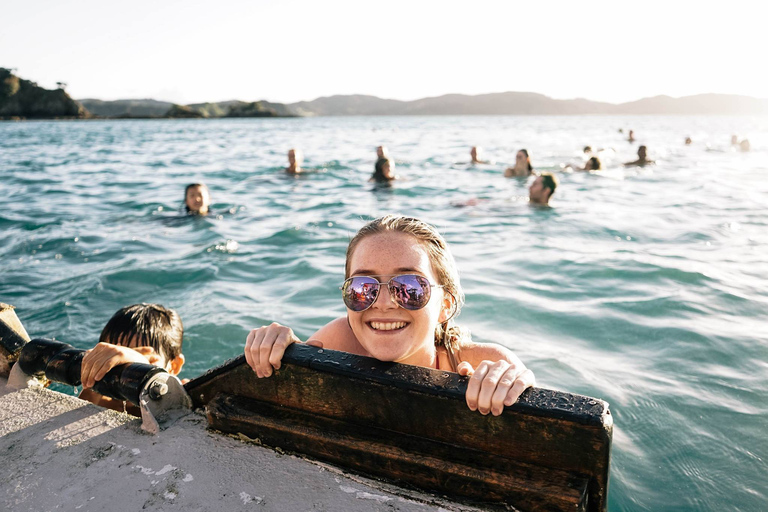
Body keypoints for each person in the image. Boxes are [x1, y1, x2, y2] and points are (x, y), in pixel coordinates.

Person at [244, 215, 535, 416]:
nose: (383, 303)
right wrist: (280, 349)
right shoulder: (337, 341)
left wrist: (516, 388)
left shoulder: (483, 365)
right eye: (363, 288)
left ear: (445, 305)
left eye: (409, 287)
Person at [80, 304, 186, 416]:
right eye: (118, 364)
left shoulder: (184, 398)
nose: (128, 375)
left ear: (174, 366)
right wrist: (93, 383)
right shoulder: (101, 403)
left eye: (142, 364)